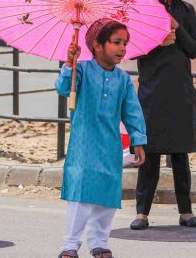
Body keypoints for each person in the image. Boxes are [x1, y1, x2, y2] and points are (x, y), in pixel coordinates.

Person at [55, 18, 147, 258]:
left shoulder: (123, 80)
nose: (122, 48)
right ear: (97, 45)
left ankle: (99, 243)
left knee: (107, 195)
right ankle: (70, 245)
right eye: (116, 42)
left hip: (109, 146)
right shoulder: (81, 70)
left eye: (125, 43)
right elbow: (63, 89)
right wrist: (69, 64)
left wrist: (138, 140)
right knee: (81, 195)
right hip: (84, 146)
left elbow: (132, 112)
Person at [130, 0, 196, 230]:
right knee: (149, 153)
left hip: (181, 90)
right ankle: (142, 212)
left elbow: (194, 49)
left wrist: (176, 28)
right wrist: (156, 42)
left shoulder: (187, 12)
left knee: (180, 154)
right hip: (153, 92)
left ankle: (186, 211)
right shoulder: (144, 9)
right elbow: (132, 49)